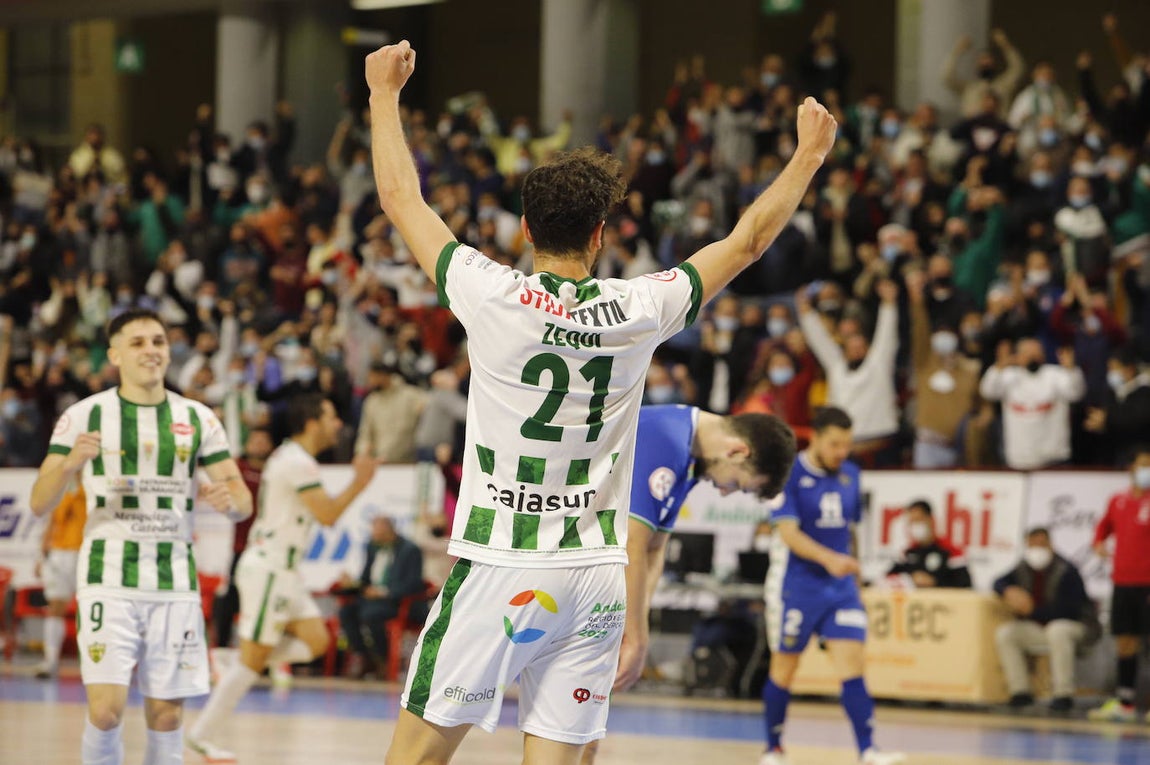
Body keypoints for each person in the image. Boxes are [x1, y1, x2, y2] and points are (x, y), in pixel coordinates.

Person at [364, 39, 836, 765]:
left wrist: (384, 96)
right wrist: (806, 156)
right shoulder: (639, 307)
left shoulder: (489, 292)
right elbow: (747, 242)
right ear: (602, 234)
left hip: (501, 558)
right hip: (593, 571)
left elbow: (401, 199)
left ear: (525, 231)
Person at [29, 307, 253, 765]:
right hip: (107, 578)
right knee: (107, 713)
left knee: (168, 719)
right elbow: (38, 502)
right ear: (114, 355)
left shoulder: (199, 417)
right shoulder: (84, 414)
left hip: (173, 582)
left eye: (158, 341)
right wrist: (69, 463)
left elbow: (242, 499)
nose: (151, 350)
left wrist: (230, 502)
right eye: (137, 343)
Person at [581, 404, 796, 765]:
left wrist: (634, 625)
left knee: (586, 731)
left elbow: (654, 548)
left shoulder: (691, 461)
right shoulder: (668, 437)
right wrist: (636, 637)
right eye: (738, 483)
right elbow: (632, 542)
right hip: (551, 565)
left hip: (591, 588)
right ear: (738, 451)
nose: (726, 492)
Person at [186, 394, 379, 760]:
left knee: (317, 641)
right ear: (311, 422)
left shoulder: (296, 458)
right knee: (254, 663)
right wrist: (360, 482)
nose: (338, 424)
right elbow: (326, 514)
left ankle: (234, 660)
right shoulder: (295, 462)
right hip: (270, 569)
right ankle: (201, 733)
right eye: (331, 417)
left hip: (285, 571)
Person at [761, 406, 904, 765]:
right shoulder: (788, 473)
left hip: (840, 590)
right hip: (797, 586)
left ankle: (868, 749)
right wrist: (830, 560)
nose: (842, 452)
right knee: (784, 669)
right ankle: (773, 748)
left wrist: (856, 581)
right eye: (835, 444)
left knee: (853, 666)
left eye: (847, 445)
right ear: (816, 438)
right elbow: (789, 534)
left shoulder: (851, 475)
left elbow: (850, 532)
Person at [993, 527, 1093, 712]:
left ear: (1050, 545)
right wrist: (1008, 591)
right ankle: (1020, 692)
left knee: (1058, 629)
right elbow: (998, 582)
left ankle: (1063, 694)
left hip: (1075, 628)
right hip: (1041, 628)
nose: (1037, 550)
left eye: (1041, 544)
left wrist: (1032, 610)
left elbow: (1069, 611)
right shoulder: (1024, 567)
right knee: (1006, 633)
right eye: (1032, 545)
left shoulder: (1067, 570)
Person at [1088, 447, 1150, 722]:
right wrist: (1099, 545)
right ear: (1132, 469)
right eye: (1143, 465)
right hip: (1122, 581)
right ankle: (1125, 702)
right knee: (1125, 641)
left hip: (1147, 582)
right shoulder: (1118, 500)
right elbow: (1102, 529)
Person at [338, 515, 426, 680]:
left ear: (388, 530)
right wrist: (352, 584)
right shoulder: (372, 547)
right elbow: (366, 580)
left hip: (397, 602)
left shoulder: (410, 550)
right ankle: (366, 658)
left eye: (377, 532)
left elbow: (414, 584)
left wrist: (384, 592)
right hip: (372, 600)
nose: (373, 535)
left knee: (371, 615)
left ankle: (385, 659)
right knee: (346, 612)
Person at [979, 338, 1085, 470]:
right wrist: (1000, 366)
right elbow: (988, 391)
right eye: (1028, 354)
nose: (1032, 358)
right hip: (1019, 459)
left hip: (1053, 458)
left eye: (1036, 354)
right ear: (1017, 356)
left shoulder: (1055, 375)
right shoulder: (1008, 376)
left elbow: (1076, 393)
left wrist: (1071, 369)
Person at [212, 429, 274, 656]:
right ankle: (221, 650)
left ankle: (263, 657)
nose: (258, 444)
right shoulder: (237, 468)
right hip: (241, 548)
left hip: (268, 550)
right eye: (254, 440)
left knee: (263, 603)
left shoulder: (275, 470)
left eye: (263, 440)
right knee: (229, 598)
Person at [33, 480, 87, 679]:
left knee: (88, 608)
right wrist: (41, 555)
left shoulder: (92, 482)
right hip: (58, 552)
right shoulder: (60, 485)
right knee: (55, 606)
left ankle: (90, 663)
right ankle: (50, 661)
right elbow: (52, 520)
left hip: (84, 550)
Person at [886, 500, 972, 589]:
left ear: (930, 520)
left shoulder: (950, 550)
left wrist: (934, 583)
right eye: (911, 522)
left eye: (918, 520)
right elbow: (887, 578)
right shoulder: (908, 553)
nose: (915, 526)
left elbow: (965, 585)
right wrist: (910, 579)